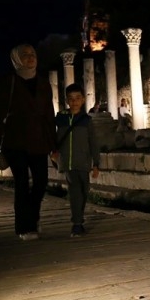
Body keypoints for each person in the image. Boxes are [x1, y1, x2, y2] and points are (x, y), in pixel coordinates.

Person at [0, 43, 56, 241]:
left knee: (41, 182)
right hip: (15, 140)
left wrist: (53, 144)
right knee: (21, 183)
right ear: (17, 59)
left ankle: (33, 217)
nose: (30, 58)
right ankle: (23, 227)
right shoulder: (8, 81)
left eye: (32, 54)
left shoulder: (44, 83)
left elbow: (49, 114)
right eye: (25, 55)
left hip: (39, 139)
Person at [52, 83, 100, 237]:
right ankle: (77, 224)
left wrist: (96, 164)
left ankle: (78, 218)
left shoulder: (86, 120)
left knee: (84, 191)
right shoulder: (60, 118)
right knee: (75, 192)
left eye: (77, 98)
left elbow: (93, 142)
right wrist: (52, 152)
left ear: (83, 100)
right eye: (71, 99)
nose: (74, 101)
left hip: (84, 162)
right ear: (67, 100)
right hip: (68, 162)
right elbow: (52, 137)